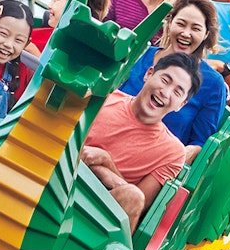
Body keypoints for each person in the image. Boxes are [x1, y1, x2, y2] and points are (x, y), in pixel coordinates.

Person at [83, 52, 200, 230]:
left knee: (133, 196)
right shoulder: (106, 98)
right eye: (165, 80)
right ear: (149, 74)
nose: (165, 92)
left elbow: (136, 203)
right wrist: (102, 170)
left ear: (181, 105)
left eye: (177, 92)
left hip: (100, 209)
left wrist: (106, 160)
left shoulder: (172, 152)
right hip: (63, 174)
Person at [120, 0, 227, 163]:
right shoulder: (140, 53)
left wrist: (178, 157)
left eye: (195, 28)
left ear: (206, 34)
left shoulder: (213, 84)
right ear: (169, 23)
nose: (186, 33)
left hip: (153, 160)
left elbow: (200, 143)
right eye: (181, 24)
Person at [27, 0, 110, 54]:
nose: (49, 5)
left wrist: (35, 55)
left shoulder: (87, 52)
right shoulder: (35, 35)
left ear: (76, 6)